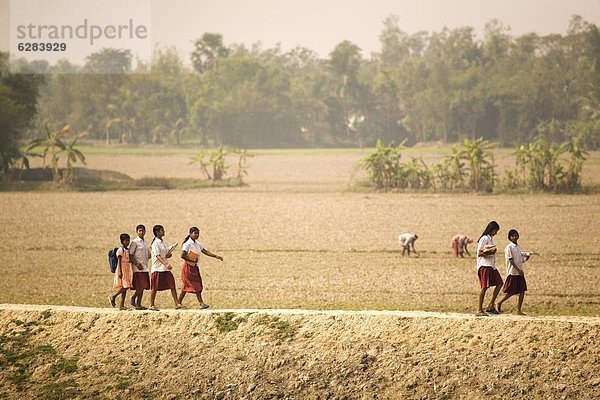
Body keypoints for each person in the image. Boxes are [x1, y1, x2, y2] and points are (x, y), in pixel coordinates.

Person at [178, 226, 223, 309]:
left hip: (194, 267)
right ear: (190, 234)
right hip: (188, 267)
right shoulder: (187, 244)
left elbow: (205, 252)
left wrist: (216, 256)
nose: (196, 235)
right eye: (195, 233)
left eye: (198, 233)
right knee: (195, 286)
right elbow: (182, 255)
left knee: (189, 285)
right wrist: (192, 260)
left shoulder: (198, 244)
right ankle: (201, 303)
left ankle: (178, 303)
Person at [497, 229, 531, 315]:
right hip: (513, 272)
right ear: (509, 238)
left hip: (519, 272)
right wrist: (518, 270)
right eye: (512, 236)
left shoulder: (518, 247)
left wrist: (526, 258)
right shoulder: (509, 247)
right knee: (511, 292)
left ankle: (518, 310)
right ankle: (500, 303)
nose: (514, 237)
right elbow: (511, 261)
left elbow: (520, 259)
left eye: (516, 235)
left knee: (522, 290)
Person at [149, 225, 182, 311]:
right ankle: (151, 304)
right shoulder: (155, 243)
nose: (164, 231)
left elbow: (165, 254)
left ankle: (177, 303)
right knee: (155, 287)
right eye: (162, 230)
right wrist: (166, 264)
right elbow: (157, 256)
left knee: (172, 285)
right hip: (157, 268)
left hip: (164, 268)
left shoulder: (163, 242)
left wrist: (168, 255)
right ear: (157, 232)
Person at [476, 221, 503, 316]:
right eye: (495, 230)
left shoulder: (490, 239)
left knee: (499, 283)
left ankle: (491, 305)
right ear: (492, 229)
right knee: (485, 287)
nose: (496, 233)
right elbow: (480, 253)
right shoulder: (484, 239)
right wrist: (491, 252)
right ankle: (479, 309)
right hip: (485, 265)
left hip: (491, 265)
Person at [128, 224, 151, 310]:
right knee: (140, 286)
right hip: (137, 267)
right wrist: (137, 264)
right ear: (137, 232)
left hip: (145, 266)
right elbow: (131, 255)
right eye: (140, 231)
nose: (142, 232)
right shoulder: (134, 242)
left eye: (143, 230)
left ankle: (139, 303)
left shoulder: (145, 243)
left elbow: (148, 254)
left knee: (144, 286)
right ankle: (133, 298)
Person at [109, 233, 133, 310]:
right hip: (122, 269)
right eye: (126, 241)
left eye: (128, 240)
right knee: (127, 286)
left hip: (127, 269)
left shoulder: (127, 250)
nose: (128, 242)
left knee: (125, 287)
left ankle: (121, 305)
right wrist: (120, 271)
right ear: (122, 242)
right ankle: (113, 296)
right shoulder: (120, 250)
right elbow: (119, 261)